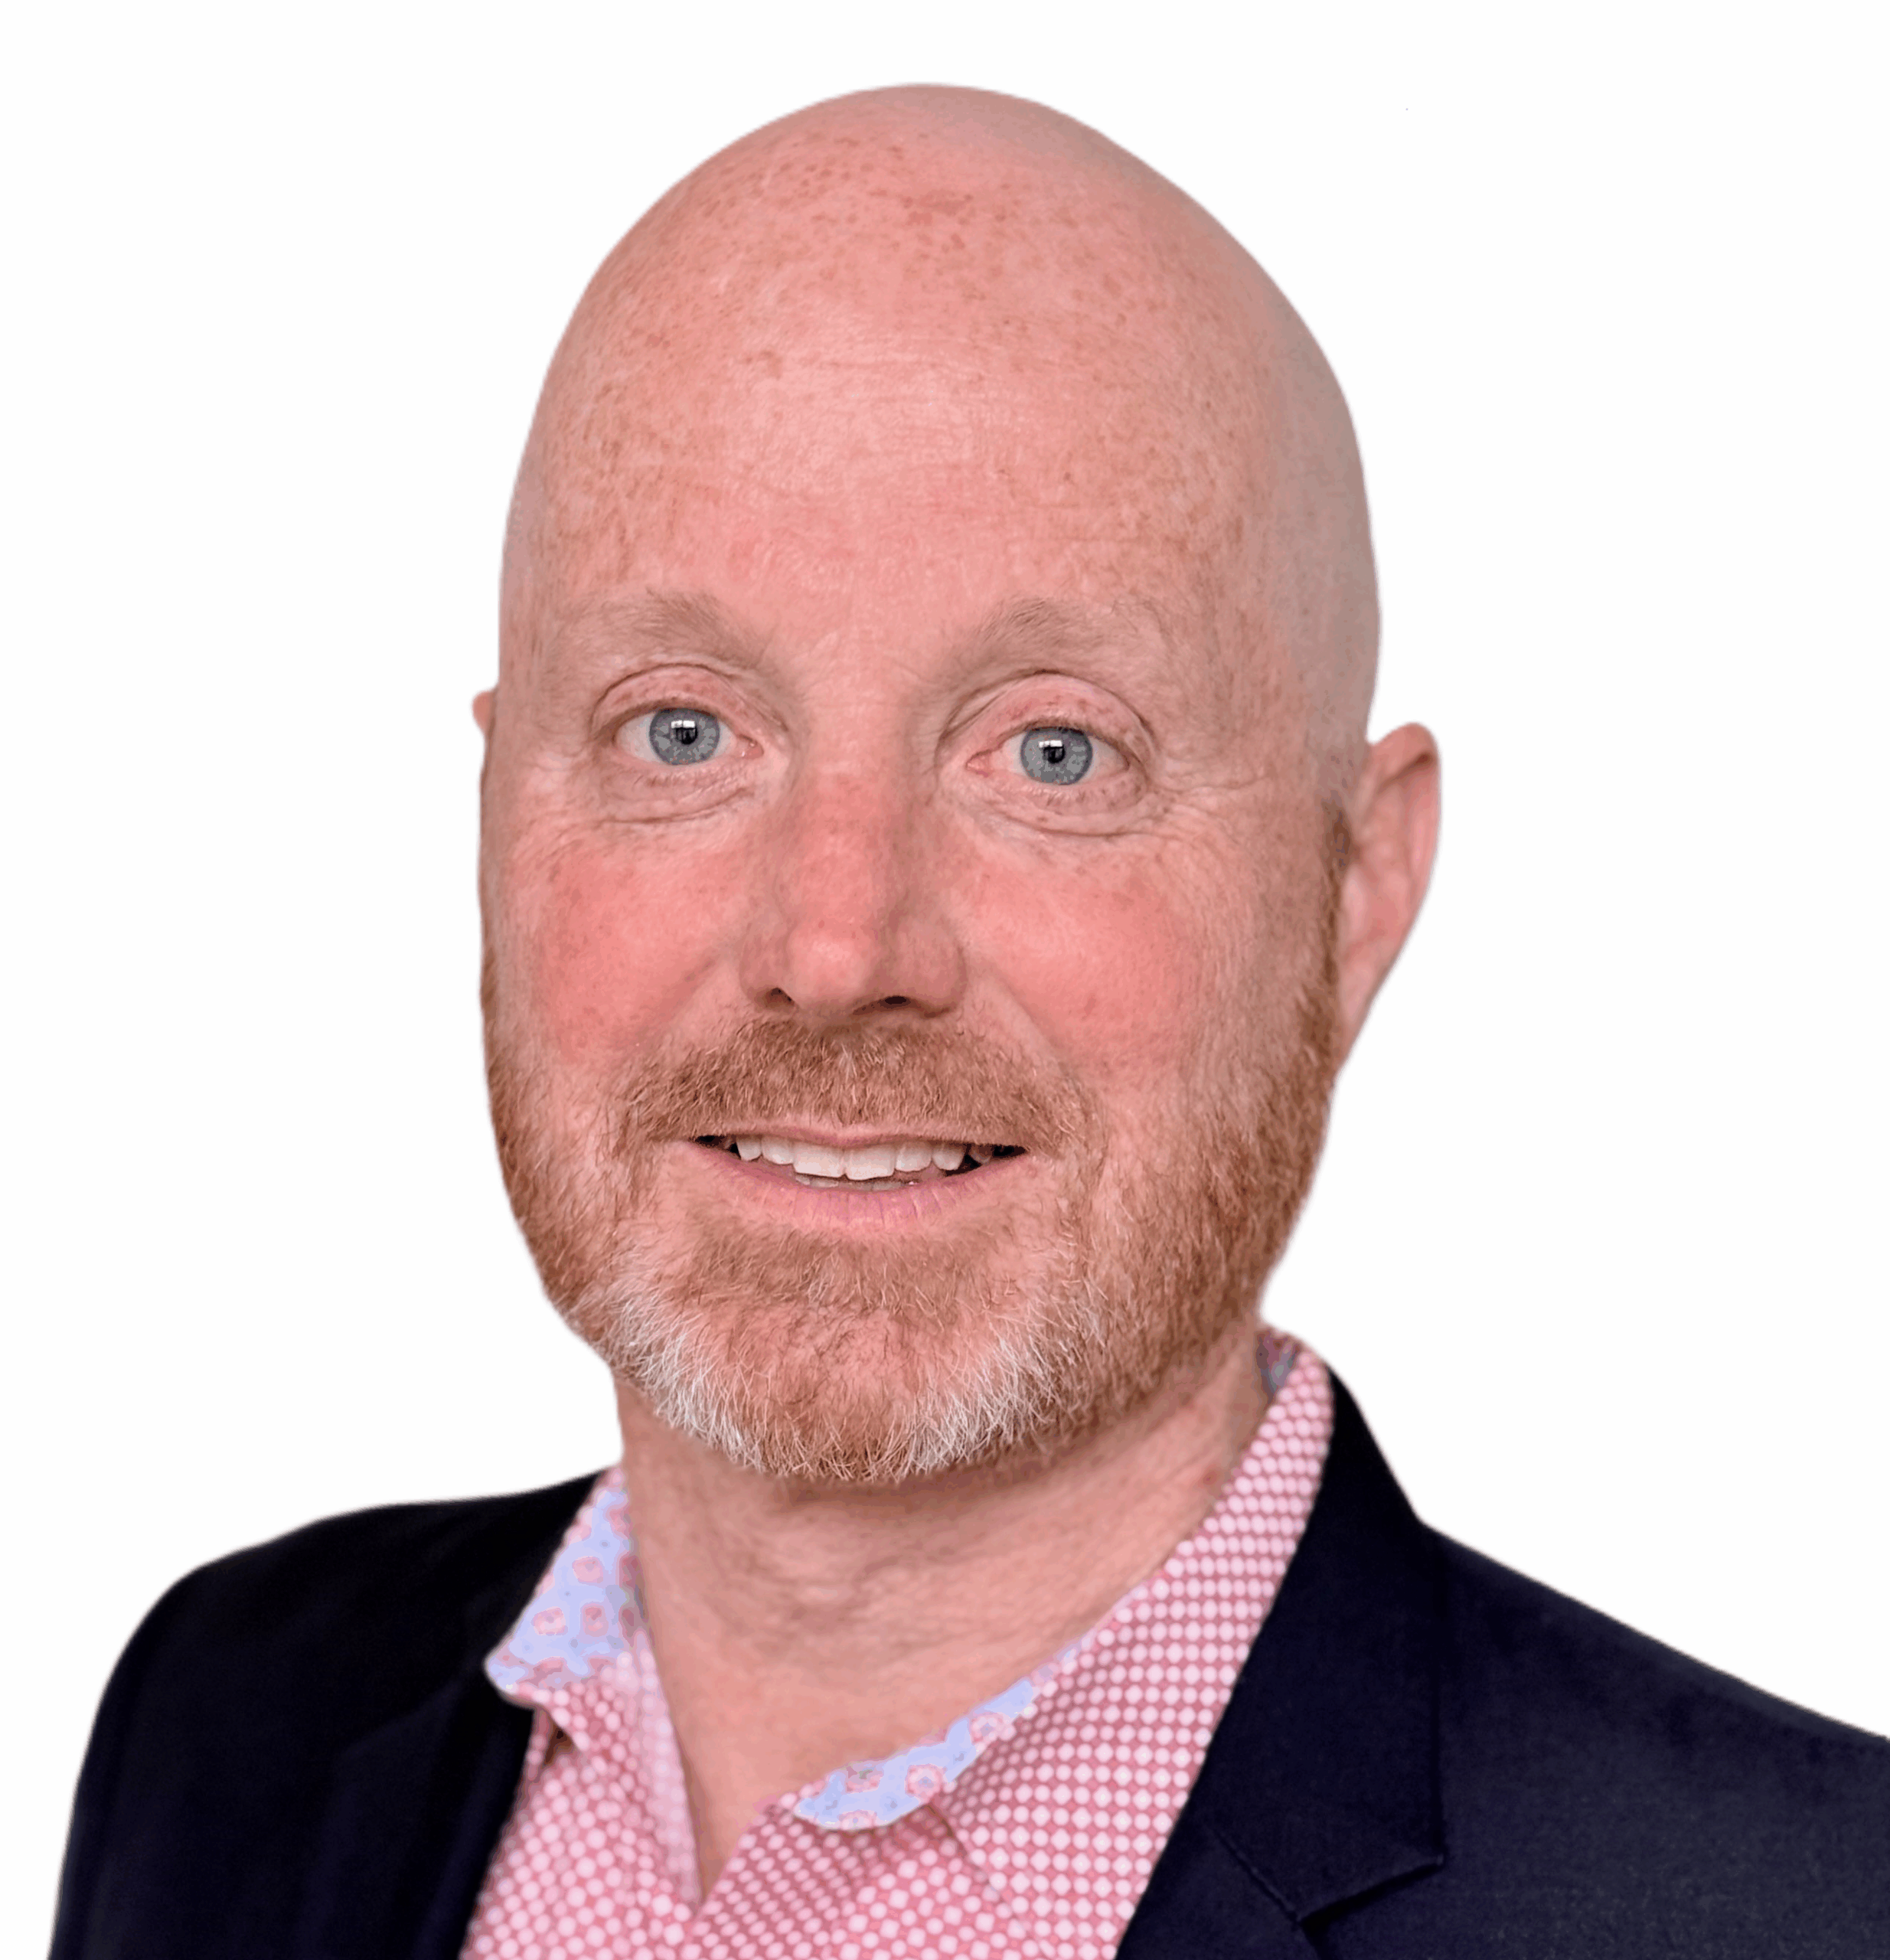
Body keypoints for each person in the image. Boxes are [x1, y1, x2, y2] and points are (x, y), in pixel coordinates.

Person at [50, 84, 1888, 1960]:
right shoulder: (230, 1718)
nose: (839, 941)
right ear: (497, 814)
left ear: (1355, 887)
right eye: (682, 730)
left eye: (1055, 750)